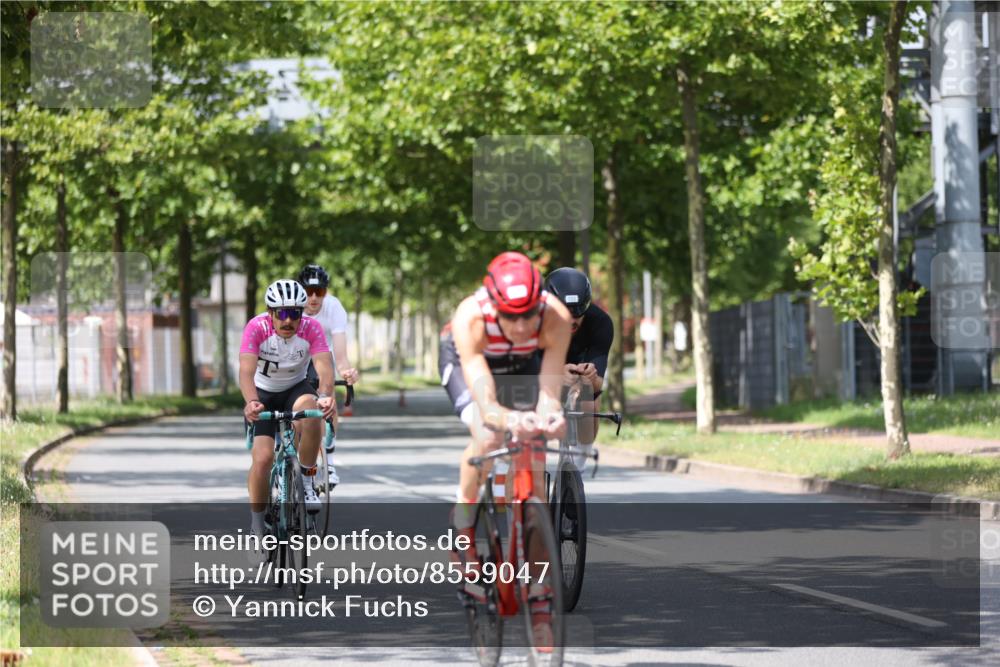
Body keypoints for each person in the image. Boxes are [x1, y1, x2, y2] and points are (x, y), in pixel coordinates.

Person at [239, 279, 336, 547]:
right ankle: (257, 526)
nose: (288, 320)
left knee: (313, 411)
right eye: (281, 313)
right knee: (263, 459)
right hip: (263, 394)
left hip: (296, 388)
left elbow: (324, 367)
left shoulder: (311, 328)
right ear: (270, 313)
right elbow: (245, 372)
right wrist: (251, 402)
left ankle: (306, 481)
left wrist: (327, 395)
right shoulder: (256, 327)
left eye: (294, 313)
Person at [297, 264, 359, 487]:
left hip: (322, 358)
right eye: (308, 291)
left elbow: (339, 353)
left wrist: (347, 371)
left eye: (320, 292)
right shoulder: (292, 308)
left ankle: (329, 463)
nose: (314, 298)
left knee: (326, 394)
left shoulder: (333, 307)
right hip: (296, 358)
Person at [543, 267, 614, 447]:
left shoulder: (600, 323)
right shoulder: (535, 321)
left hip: (580, 381)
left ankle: (578, 467)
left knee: (589, 402)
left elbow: (598, 383)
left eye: (578, 314)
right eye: (565, 315)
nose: (572, 321)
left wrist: (589, 378)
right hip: (542, 377)